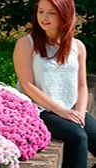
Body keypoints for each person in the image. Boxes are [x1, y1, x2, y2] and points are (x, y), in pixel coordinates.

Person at [13, 0, 96, 167]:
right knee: (77, 136)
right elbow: (27, 84)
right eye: (40, 11)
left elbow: (81, 85)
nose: (44, 17)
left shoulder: (78, 46)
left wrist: (79, 113)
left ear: (65, 15)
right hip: (39, 109)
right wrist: (59, 111)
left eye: (51, 12)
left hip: (70, 109)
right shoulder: (26, 43)